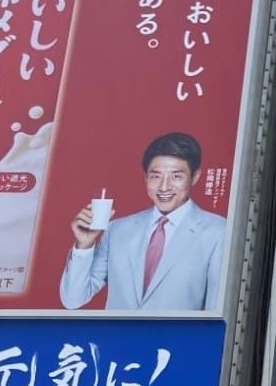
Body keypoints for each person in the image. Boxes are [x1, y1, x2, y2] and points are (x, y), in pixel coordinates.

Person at [60, 131, 227, 311]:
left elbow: (215, 313)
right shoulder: (118, 229)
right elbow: (73, 300)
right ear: (146, 177)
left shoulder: (217, 231)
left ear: (195, 177)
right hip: (116, 338)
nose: (164, 186)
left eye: (176, 176)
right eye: (156, 176)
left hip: (175, 339)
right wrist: (84, 245)